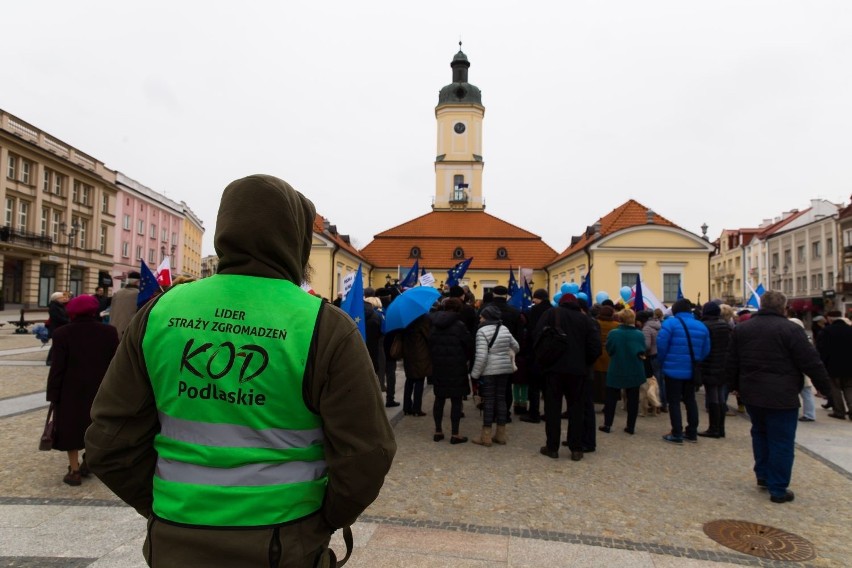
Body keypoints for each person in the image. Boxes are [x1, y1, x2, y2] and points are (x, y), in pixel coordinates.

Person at [85, 174, 396, 567]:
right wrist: (322, 520)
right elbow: (368, 453)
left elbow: (108, 441)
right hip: (283, 540)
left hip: (175, 539)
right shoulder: (323, 325)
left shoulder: (162, 311)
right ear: (296, 239)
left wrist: (166, 508)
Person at [725, 290, 830, 503]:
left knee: (760, 434)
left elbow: (732, 361)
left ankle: (763, 475)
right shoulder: (791, 330)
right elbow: (811, 361)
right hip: (782, 394)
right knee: (781, 440)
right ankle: (778, 487)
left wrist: (734, 386)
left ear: (762, 305)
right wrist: (825, 389)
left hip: (753, 391)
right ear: (783, 308)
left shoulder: (743, 329)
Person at [46, 295, 119, 486]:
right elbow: (116, 365)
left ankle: (74, 470)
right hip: (101, 390)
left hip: (70, 390)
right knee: (95, 426)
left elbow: (57, 367)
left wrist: (53, 394)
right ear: (95, 311)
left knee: (70, 429)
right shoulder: (109, 332)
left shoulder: (62, 333)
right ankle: (88, 461)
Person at [535, 294, 602, 460]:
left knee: (552, 408)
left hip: (553, 368)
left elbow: (536, 337)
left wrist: (543, 360)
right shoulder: (586, 320)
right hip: (578, 371)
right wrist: (585, 362)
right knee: (576, 409)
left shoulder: (551, 314)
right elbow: (595, 347)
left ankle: (552, 447)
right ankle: (576, 448)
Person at [657, 298, 710, 444]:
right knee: (690, 400)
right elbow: (706, 349)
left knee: (673, 402)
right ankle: (692, 432)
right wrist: (696, 361)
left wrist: (663, 361)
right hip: (692, 370)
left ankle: (677, 432)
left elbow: (661, 346)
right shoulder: (701, 326)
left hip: (672, 369)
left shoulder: (670, 324)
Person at [470, 304, 519, 446]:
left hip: (489, 371)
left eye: (481, 316)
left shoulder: (482, 331)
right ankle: (501, 434)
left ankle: (486, 436)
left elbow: (481, 356)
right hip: (504, 370)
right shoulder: (504, 328)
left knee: (489, 401)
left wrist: (475, 374)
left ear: (486, 317)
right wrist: (504, 352)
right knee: (501, 399)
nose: (479, 319)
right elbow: (516, 346)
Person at [428, 297, 474, 443]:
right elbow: (469, 345)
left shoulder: (434, 324)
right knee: (456, 400)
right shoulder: (460, 325)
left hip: (439, 366)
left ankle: (438, 431)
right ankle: (455, 434)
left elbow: (430, 343)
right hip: (456, 366)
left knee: (439, 399)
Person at [600, 308, 646, 436]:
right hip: (634, 367)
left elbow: (609, 349)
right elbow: (643, 349)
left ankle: (607, 424)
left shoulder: (614, 333)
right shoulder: (639, 334)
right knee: (633, 398)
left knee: (611, 398)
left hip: (617, 366)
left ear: (620, 319)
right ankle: (630, 426)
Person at [697, 302, 732, 438]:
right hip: (723, 365)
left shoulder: (705, 326)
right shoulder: (726, 326)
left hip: (710, 365)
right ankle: (721, 428)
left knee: (713, 396)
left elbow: (703, 348)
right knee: (721, 396)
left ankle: (714, 428)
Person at [520, 288, 552, 423]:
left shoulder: (533, 311)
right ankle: (549, 413)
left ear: (537, 299)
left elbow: (529, 332)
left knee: (534, 386)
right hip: (551, 353)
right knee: (548, 387)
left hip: (534, 352)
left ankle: (534, 413)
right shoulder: (554, 311)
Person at [816, 310, 852, 420]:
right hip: (850, 365)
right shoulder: (850, 330)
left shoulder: (826, 331)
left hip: (832, 365)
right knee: (849, 388)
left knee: (835, 389)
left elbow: (821, 349)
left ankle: (839, 411)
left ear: (830, 319)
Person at [401, 313, 432, 416]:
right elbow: (428, 336)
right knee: (419, 380)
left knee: (409, 380)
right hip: (420, 353)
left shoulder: (406, 317)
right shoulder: (423, 318)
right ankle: (417, 408)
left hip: (408, 352)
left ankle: (406, 407)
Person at [109, 271, 140, 340]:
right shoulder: (139, 294)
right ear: (137, 282)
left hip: (114, 330)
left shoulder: (118, 293)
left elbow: (112, 311)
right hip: (128, 332)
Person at [45, 291, 70, 365]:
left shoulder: (60, 305)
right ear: (56, 299)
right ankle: (50, 360)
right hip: (56, 328)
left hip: (61, 327)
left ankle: (58, 359)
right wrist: (68, 321)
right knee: (56, 345)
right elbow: (57, 317)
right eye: (61, 297)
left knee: (60, 344)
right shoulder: (53, 307)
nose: (63, 298)